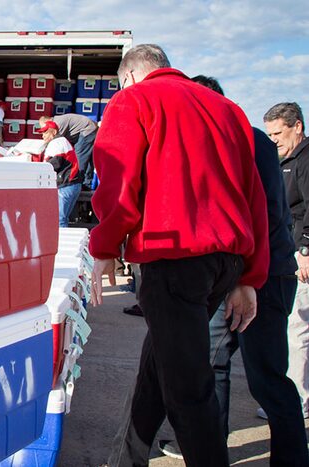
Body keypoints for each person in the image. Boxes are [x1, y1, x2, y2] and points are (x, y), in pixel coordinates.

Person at [89, 44, 269, 467]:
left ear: (130, 76)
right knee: (160, 367)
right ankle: (126, 459)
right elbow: (253, 196)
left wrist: (104, 246)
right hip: (225, 260)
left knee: (188, 390)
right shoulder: (228, 110)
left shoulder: (132, 99)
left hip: (172, 256)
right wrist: (249, 276)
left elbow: (119, 181)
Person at [141, 76, 308, 465]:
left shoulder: (240, 141)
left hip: (256, 275)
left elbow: (261, 214)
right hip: (254, 272)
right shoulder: (247, 141)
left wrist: (245, 278)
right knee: (235, 369)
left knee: (253, 374)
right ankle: (214, 448)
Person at [264, 102, 309, 420]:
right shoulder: (284, 158)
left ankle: (297, 400)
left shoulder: (305, 161)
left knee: (298, 327)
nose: (274, 140)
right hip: (289, 251)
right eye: (269, 134)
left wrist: (306, 251)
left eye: (278, 133)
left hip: (301, 255)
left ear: (298, 127)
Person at [36, 119, 82, 227]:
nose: (43, 136)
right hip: (72, 184)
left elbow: (54, 164)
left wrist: (37, 169)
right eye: (42, 133)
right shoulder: (62, 141)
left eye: (46, 132)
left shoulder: (56, 142)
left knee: (59, 220)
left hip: (66, 185)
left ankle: (60, 243)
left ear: (54, 132)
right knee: (62, 219)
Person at [39, 114, 97, 190]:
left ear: (48, 122)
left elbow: (56, 140)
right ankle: (87, 184)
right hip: (89, 128)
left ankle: (79, 182)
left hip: (87, 130)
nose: (44, 133)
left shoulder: (58, 124)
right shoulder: (57, 121)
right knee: (87, 158)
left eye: (45, 130)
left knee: (80, 157)